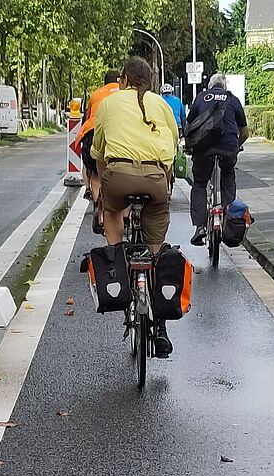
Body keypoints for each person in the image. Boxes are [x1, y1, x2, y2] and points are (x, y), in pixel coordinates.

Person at [91, 56, 178, 355]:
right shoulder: (162, 105)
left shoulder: (108, 104)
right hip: (155, 178)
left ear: (124, 79)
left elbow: (98, 150)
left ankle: (117, 259)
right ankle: (160, 328)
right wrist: (164, 180)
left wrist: (104, 184)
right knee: (156, 247)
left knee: (112, 211)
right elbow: (173, 145)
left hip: (117, 176)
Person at [186, 73, 249, 247]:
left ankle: (200, 227)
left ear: (210, 86)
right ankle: (231, 221)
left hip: (203, 150)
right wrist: (236, 146)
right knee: (227, 176)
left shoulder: (200, 98)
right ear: (224, 86)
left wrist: (190, 146)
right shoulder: (233, 99)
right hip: (228, 149)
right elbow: (245, 132)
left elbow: (189, 126)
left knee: (199, 184)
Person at [75, 70, 120, 213]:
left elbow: (88, 117)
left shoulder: (96, 94)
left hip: (94, 131)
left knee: (95, 173)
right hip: (119, 133)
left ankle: (97, 207)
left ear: (104, 82)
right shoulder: (125, 93)